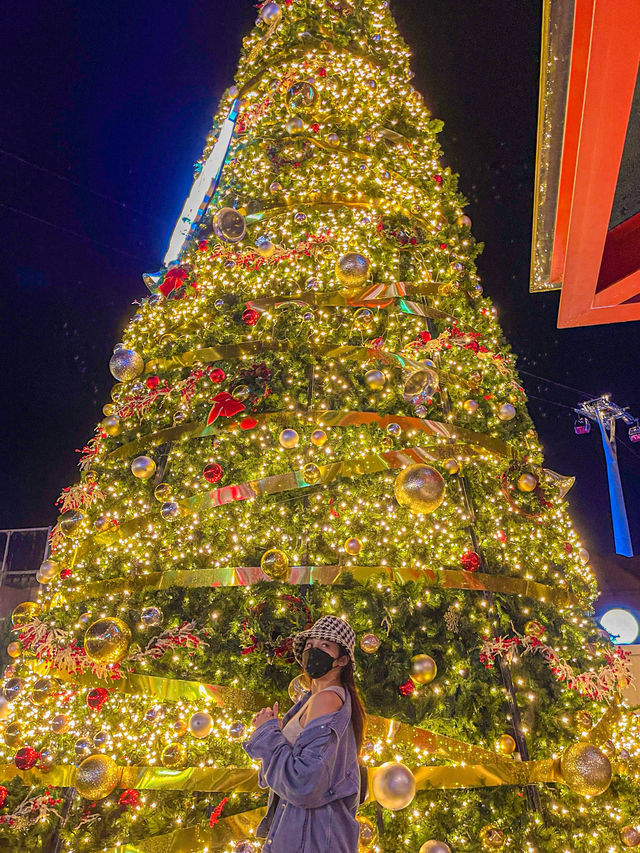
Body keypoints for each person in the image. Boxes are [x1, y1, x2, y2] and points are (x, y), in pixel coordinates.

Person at [243, 614, 367, 853]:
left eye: (325, 646)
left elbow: (304, 783)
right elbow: (282, 772)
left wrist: (268, 733)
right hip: (296, 830)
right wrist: (276, 730)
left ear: (341, 660)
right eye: (310, 645)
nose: (314, 650)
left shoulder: (328, 699)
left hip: (312, 838)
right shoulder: (310, 700)